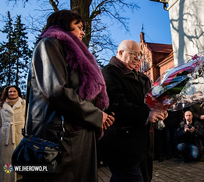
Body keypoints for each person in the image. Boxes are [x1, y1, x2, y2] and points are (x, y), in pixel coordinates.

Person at [22, 10, 114, 182]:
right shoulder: (49, 44)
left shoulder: (73, 52)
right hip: (59, 140)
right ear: (63, 24)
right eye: (78, 26)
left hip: (77, 136)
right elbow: (56, 91)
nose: (83, 32)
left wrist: (99, 114)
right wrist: (95, 115)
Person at [100, 40, 167, 182]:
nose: (138, 58)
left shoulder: (138, 76)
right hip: (121, 144)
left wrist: (158, 109)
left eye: (139, 54)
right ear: (120, 53)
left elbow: (145, 101)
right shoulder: (109, 73)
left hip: (139, 144)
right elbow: (116, 104)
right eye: (133, 54)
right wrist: (147, 115)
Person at [0, 85, 25, 182]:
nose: (12, 93)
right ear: (7, 93)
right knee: (7, 160)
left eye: (14, 91)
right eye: (10, 91)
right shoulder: (2, 105)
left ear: (18, 92)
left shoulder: (24, 104)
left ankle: (21, 178)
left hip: (20, 134)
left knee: (20, 158)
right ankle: (7, 178)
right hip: (6, 136)